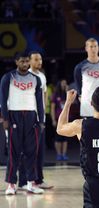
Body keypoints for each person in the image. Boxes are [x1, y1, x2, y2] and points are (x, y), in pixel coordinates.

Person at [2, 52, 45, 195]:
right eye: (22, 61)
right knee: (14, 152)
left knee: (31, 152)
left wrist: (41, 121)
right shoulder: (8, 77)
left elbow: (40, 102)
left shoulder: (36, 79)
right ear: (16, 62)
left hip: (31, 117)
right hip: (14, 116)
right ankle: (11, 184)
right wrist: (5, 119)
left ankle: (31, 183)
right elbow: (2, 100)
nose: (25, 64)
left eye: (27, 61)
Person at [25, 50, 52, 189]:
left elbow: (45, 95)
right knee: (30, 151)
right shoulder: (25, 76)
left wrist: (43, 114)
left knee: (40, 151)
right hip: (29, 118)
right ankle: (28, 180)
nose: (39, 62)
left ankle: (39, 180)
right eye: (35, 59)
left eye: (40, 59)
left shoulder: (42, 76)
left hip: (40, 119)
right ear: (29, 61)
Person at [74, 38, 99, 117]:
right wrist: (80, 95)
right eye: (91, 46)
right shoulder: (80, 67)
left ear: (98, 48)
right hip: (88, 103)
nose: (93, 49)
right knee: (88, 128)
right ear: (86, 48)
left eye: (95, 46)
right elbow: (78, 82)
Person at [51, 79, 69, 161]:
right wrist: (53, 119)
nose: (64, 84)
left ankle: (64, 154)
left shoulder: (67, 94)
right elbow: (52, 108)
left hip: (66, 119)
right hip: (58, 118)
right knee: (58, 137)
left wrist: (67, 91)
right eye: (63, 83)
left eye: (65, 83)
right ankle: (59, 154)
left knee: (65, 137)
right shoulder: (56, 94)